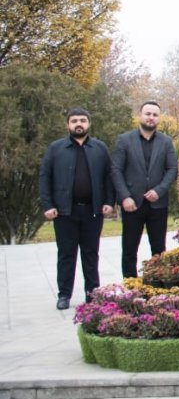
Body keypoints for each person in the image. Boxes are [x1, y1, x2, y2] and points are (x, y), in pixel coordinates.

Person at [38, 108, 114, 310]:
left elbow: (108, 177)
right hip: (64, 212)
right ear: (68, 125)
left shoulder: (99, 148)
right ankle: (64, 295)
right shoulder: (56, 148)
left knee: (91, 254)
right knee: (66, 254)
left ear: (88, 123)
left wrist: (109, 201)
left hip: (92, 211)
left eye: (82, 120)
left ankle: (93, 294)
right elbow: (45, 177)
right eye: (74, 121)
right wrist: (48, 205)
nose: (78, 124)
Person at [109, 100, 177, 279]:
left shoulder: (166, 142)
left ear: (159, 118)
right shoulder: (124, 140)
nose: (151, 118)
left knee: (159, 249)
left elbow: (172, 169)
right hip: (132, 203)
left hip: (158, 204)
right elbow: (116, 170)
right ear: (140, 115)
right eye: (148, 114)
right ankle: (130, 283)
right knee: (129, 248)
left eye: (155, 115)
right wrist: (125, 197)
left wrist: (159, 190)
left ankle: (159, 282)